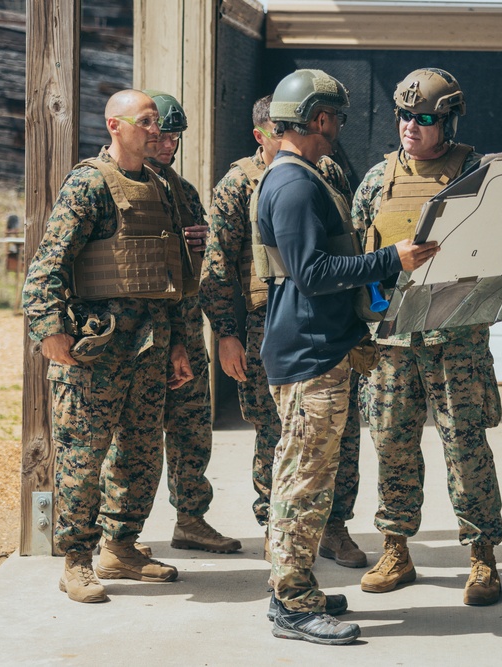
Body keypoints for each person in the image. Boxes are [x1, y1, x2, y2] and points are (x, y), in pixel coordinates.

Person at [256, 69, 439, 645]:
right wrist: (392, 260)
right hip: (309, 356)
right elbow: (312, 274)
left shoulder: (301, 178)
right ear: (315, 118)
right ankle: (292, 603)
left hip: (319, 350)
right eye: (332, 118)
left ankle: (295, 584)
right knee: (302, 483)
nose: (336, 129)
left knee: (308, 477)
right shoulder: (295, 185)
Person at [352, 68, 502, 607]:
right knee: (392, 445)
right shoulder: (377, 181)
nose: (410, 126)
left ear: (447, 120)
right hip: (394, 340)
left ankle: (482, 557)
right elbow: (357, 255)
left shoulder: (476, 176)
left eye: (423, 117)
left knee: (465, 445)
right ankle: (395, 548)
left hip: (457, 339)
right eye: (404, 115)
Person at [22, 89, 193, 604]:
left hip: (150, 345)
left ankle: (121, 547)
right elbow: (47, 265)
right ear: (115, 126)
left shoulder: (162, 188)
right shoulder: (89, 185)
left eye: (157, 122)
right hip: (96, 349)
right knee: (82, 456)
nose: (156, 130)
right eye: (145, 121)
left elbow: (172, 277)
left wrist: (180, 345)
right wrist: (50, 329)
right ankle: (76, 560)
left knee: (140, 453)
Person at [200, 94, 366, 568]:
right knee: (277, 435)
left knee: (339, 433)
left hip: (325, 320)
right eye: (278, 129)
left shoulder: (326, 171)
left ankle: (333, 527)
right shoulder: (239, 182)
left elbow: (343, 242)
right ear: (262, 135)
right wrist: (227, 334)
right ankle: (278, 537)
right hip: (265, 322)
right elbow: (216, 267)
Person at [143, 89, 241, 554]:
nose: (168, 147)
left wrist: (200, 243)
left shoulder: (183, 192)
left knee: (192, 431)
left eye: (175, 138)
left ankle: (191, 520)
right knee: (132, 439)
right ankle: (115, 536)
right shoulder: (114, 183)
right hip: (137, 337)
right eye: (161, 136)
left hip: (185, 330)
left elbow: (203, 266)